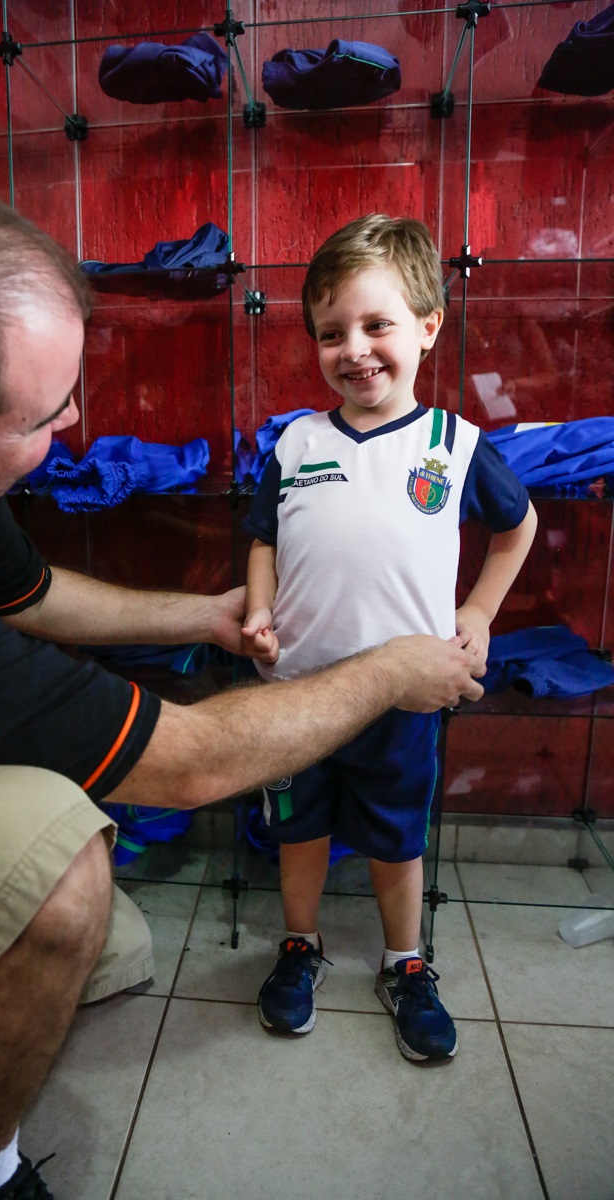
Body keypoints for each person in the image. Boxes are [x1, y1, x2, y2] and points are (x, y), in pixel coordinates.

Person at [0, 174, 486, 1200]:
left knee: (103, 949)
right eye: (47, 415)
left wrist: (205, 615)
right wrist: (397, 665)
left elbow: (31, 592)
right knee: (55, 891)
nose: (78, 419)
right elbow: (188, 765)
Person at [241, 213, 537, 1062]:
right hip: (299, 693)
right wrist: (258, 611)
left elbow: (517, 527)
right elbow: (263, 538)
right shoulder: (296, 442)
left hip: (403, 702)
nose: (355, 349)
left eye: (377, 325)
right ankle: (300, 944)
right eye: (332, 332)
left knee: (396, 839)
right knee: (299, 832)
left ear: (428, 327)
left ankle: (405, 961)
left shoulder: (454, 444)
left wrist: (477, 614)